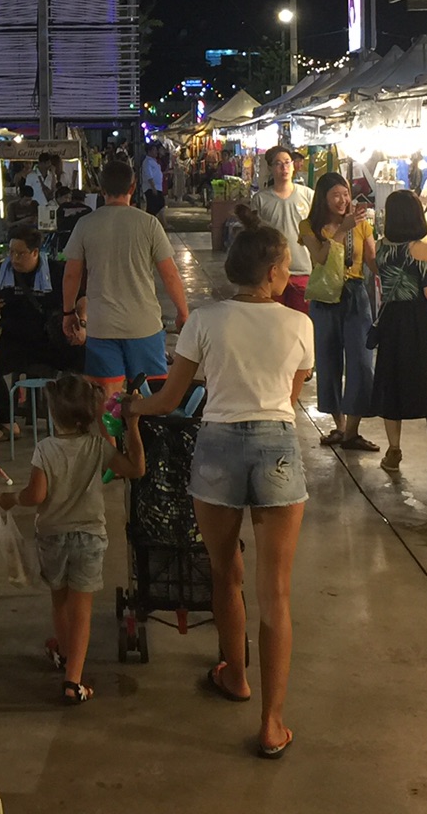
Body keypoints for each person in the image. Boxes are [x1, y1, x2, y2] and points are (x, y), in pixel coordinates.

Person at [131, 207, 313, 760]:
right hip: (276, 446)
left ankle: (235, 674)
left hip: (215, 447)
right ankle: (273, 725)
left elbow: (167, 399)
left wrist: (126, 407)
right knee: (274, 592)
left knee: (224, 572)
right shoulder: (299, 324)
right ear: (274, 272)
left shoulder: (204, 321)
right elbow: (293, 395)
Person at [0, 373, 144, 705]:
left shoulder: (45, 449)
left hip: (52, 536)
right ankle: (73, 679)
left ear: (53, 413)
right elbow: (136, 469)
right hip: (90, 538)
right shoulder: (98, 447)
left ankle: (64, 655)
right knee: (82, 611)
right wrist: (130, 427)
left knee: (59, 602)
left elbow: (36, 495)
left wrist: (12, 499)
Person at [61, 161, 190, 390]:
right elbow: (170, 275)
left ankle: (112, 428)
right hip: (144, 326)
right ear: (133, 187)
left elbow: (71, 275)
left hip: (101, 327)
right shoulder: (149, 224)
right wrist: (182, 312)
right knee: (148, 394)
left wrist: (68, 312)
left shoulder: (85, 225)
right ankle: (141, 427)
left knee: (107, 395)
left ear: (101, 190)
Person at [370, 190, 427, 475]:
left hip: (390, 321)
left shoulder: (381, 246)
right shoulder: (424, 249)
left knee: (393, 382)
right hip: (418, 322)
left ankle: (393, 451)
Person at [302, 173, 378, 451]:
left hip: (355, 295)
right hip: (324, 298)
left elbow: (371, 260)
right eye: (336, 194)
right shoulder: (309, 226)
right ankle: (340, 425)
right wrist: (343, 229)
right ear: (323, 198)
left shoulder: (362, 225)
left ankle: (352, 432)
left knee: (361, 362)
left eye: (345, 193)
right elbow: (320, 257)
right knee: (328, 361)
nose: (343, 200)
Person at [0, 226, 85, 381]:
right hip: (14, 339)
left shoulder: (55, 271)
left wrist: (82, 323)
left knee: (84, 358)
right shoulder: (1, 270)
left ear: (35, 252)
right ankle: (3, 405)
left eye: (20, 254)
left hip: (50, 340)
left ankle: (67, 402)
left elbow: (82, 298)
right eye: (11, 252)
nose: (14, 258)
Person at [248, 146, 315, 313]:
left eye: (287, 162)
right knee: (273, 322)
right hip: (272, 273)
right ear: (270, 168)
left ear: (293, 165)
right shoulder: (260, 200)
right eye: (278, 164)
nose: (284, 168)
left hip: (302, 270)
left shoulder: (308, 196)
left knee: (301, 321)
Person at [139, 144, 167, 222]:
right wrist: (153, 187)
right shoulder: (147, 162)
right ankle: (149, 221)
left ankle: (156, 222)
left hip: (157, 187)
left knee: (158, 205)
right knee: (154, 205)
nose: (156, 152)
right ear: (149, 151)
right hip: (151, 188)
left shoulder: (154, 161)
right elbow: (149, 175)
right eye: (154, 150)